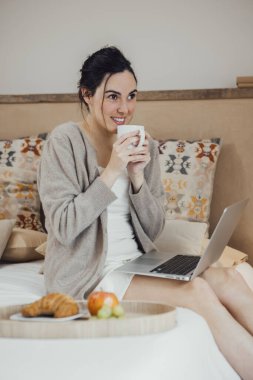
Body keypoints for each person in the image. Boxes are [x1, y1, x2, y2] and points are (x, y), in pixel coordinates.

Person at [38, 46, 253, 379]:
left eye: (132, 96)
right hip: (92, 273)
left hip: (140, 261)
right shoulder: (64, 142)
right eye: (113, 97)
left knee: (228, 278)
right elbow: (64, 226)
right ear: (87, 94)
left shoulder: (143, 144)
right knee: (197, 292)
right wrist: (112, 170)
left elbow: (152, 230)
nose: (125, 108)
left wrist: (138, 178)